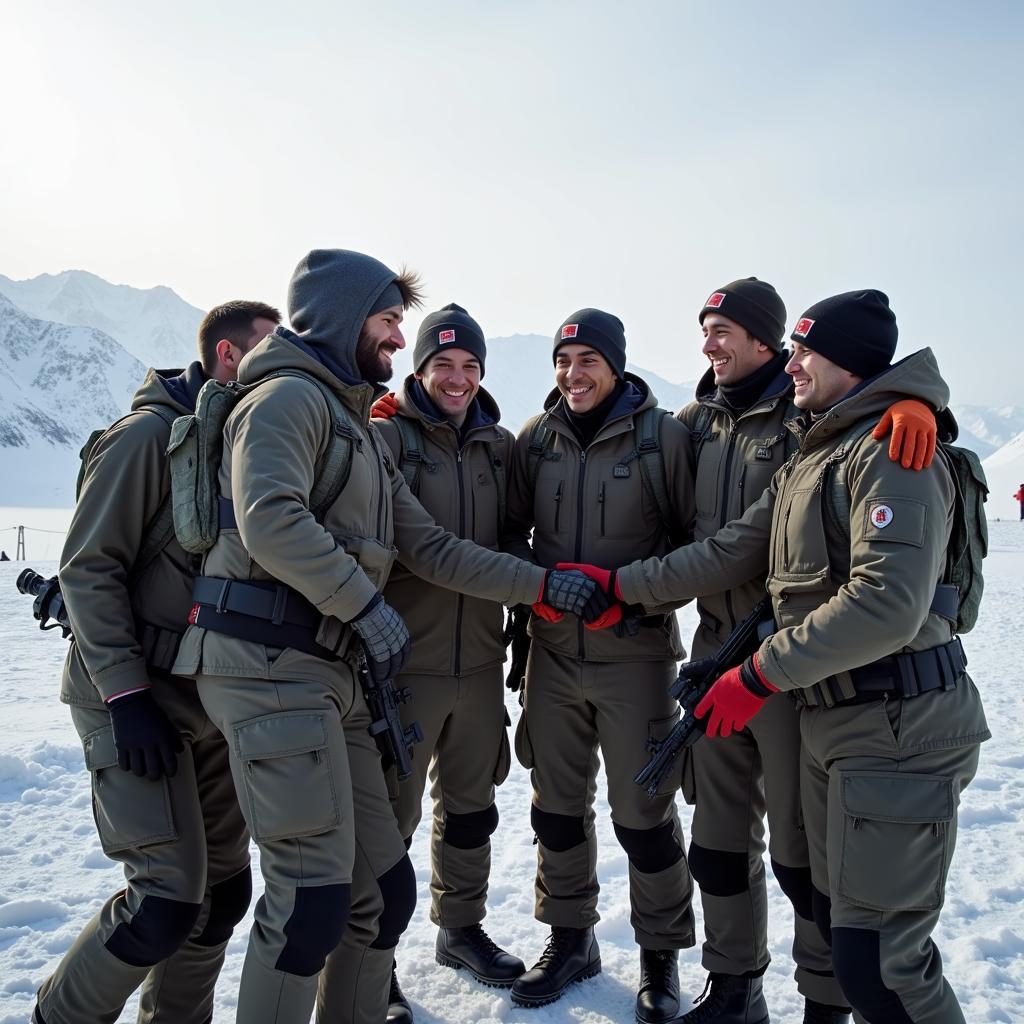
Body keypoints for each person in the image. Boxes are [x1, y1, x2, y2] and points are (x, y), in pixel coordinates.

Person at [171, 250, 604, 1024]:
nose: (398, 341)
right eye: (388, 321)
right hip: (269, 664)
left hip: (329, 670)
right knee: (312, 902)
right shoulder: (286, 399)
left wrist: (538, 584)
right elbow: (270, 518)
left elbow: (434, 545)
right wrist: (365, 605)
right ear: (341, 317)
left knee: (383, 890)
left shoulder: (352, 423)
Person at [608, 290, 989, 1023]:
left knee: (882, 966)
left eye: (807, 351)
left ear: (846, 361)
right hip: (834, 713)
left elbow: (888, 603)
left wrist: (755, 673)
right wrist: (617, 587)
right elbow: (730, 550)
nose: (794, 363)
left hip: (893, 718)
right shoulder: (816, 451)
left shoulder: (889, 447)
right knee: (855, 934)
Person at [673, 279, 933, 1024]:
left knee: (803, 858)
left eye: (725, 330)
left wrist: (918, 405)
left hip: (797, 669)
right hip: (716, 660)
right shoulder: (694, 425)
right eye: (705, 329)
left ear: (767, 339)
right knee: (717, 844)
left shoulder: (815, 421)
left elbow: (884, 455)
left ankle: (824, 999)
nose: (710, 344)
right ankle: (732, 985)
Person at [34, 300, 281, 1024]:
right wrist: (125, 695)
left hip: (205, 703)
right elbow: (87, 570)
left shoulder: (240, 438)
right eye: (269, 355)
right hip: (132, 698)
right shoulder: (145, 437)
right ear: (230, 359)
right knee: (165, 901)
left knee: (225, 891)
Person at [502, 309, 697, 1023]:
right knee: (556, 810)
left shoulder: (662, 439)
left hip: (635, 659)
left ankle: (659, 955)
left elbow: (693, 547)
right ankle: (570, 938)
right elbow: (505, 538)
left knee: (644, 818)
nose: (572, 374)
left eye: (587, 359)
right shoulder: (535, 440)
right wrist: (540, 589)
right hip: (551, 657)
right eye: (563, 359)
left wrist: (632, 599)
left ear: (615, 365)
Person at [371, 304, 525, 1017]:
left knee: (471, 809)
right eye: (443, 365)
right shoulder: (386, 437)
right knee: (388, 823)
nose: (458, 379)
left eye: (469, 367)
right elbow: (417, 546)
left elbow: (521, 534)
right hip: (406, 664)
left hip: (480, 664)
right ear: (419, 368)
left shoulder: (499, 447)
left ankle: (460, 928)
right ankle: (372, 963)